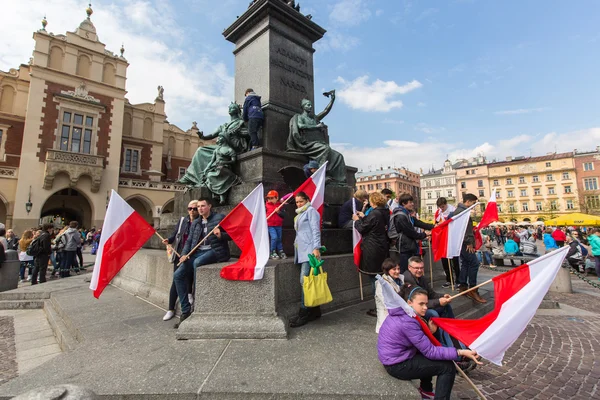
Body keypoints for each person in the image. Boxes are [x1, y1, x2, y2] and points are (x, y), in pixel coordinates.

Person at [378, 285, 481, 400]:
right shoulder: (408, 321)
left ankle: (426, 390)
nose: (425, 307)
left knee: (433, 358)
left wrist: (430, 332)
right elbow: (430, 351)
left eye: (426, 304)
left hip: (396, 357)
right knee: (447, 367)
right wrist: (460, 352)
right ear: (409, 302)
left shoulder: (404, 312)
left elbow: (421, 342)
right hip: (396, 365)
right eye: (421, 304)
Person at [175, 198, 231, 328]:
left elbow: (232, 235)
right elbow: (189, 241)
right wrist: (184, 254)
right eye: (198, 206)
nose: (200, 208)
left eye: (203, 206)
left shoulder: (219, 218)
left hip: (214, 252)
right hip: (196, 252)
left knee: (198, 263)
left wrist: (220, 235)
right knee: (178, 275)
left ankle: (197, 300)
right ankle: (185, 310)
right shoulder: (196, 223)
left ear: (209, 206)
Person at [286, 94, 347, 186]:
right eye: (308, 105)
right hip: (308, 143)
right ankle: (321, 174)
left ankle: (339, 180)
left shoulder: (314, 118)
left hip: (318, 143)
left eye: (311, 105)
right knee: (325, 149)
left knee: (339, 156)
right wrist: (316, 126)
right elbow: (300, 126)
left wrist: (332, 100)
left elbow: (325, 111)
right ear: (303, 107)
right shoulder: (300, 117)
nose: (310, 106)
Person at [352, 192, 390, 317]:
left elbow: (363, 228)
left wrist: (357, 220)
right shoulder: (384, 212)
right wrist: (364, 217)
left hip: (373, 248)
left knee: (375, 279)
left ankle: (378, 307)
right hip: (382, 246)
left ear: (373, 201)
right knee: (381, 277)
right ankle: (383, 304)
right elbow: (372, 224)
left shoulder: (375, 213)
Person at [288, 191, 322, 328]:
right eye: (297, 202)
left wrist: (316, 247)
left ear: (307, 200)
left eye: (301, 201)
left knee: (305, 281)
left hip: (309, 250)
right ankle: (315, 310)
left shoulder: (311, 211)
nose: (299, 204)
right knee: (308, 281)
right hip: (301, 250)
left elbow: (315, 230)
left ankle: (304, 312)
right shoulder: (300, 214)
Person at [161, 200, 199, 321]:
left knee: (189, 278)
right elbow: (175, 235)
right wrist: (169, 240)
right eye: (190, 208)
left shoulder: (200, 222)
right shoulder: (183, 221)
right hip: (180, 254)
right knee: (176, 280)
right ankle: (171, 308)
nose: (192, 211)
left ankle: (189, 299)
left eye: (194, 208)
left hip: (192, 254)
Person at [455, 194, 487, 304]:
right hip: (465, 243)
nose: (473, 206)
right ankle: (473, 288)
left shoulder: (460, 210)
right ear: (468, 201)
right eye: (473, 203)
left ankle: (463, 286)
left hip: (462, 242)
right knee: (474, 263)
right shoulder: (462, 212)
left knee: (466, 263)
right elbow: (463, 229)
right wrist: (468, 241)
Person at [391, 193, 433, 273]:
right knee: (405, 269)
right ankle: (406, 284)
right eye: (410, 202)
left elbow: (417, 222)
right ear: (403, 203)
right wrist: (424, 234)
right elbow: (410, 232)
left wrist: (433, 226)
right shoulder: (401, 216)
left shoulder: (406, 213)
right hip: (405, 246)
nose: (412, 204)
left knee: (410, 268)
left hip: (409, 245)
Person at [435, 198, 459, 289]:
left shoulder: (453, 211)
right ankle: (449, 280)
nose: (442, 209)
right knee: (445, 261)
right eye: (440, 207)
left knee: (455, 261)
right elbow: (436, 224)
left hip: (452, 239)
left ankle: (458, 280)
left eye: (443, 207)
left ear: (446, 204)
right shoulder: (438, 213)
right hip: (443, 239)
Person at [374, 259, 404, 333]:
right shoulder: (381, 283)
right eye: (394, 269)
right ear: (387, 270)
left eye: (398, 269)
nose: (397, 271)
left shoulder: (401, 279)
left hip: (400, 311)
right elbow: (387, 303)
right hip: (388, 316)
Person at [265, 190, 286, 260]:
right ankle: (272, 251)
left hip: (278, 225)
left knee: (279, 238)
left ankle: (280, 251)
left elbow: (283, 215)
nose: (270, 200)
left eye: (272, 198)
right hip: (270, 225)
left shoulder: (280, 205)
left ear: (277, 198)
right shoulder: (266, 206)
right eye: (269, 198)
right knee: (274, 237)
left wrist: (279, 212)